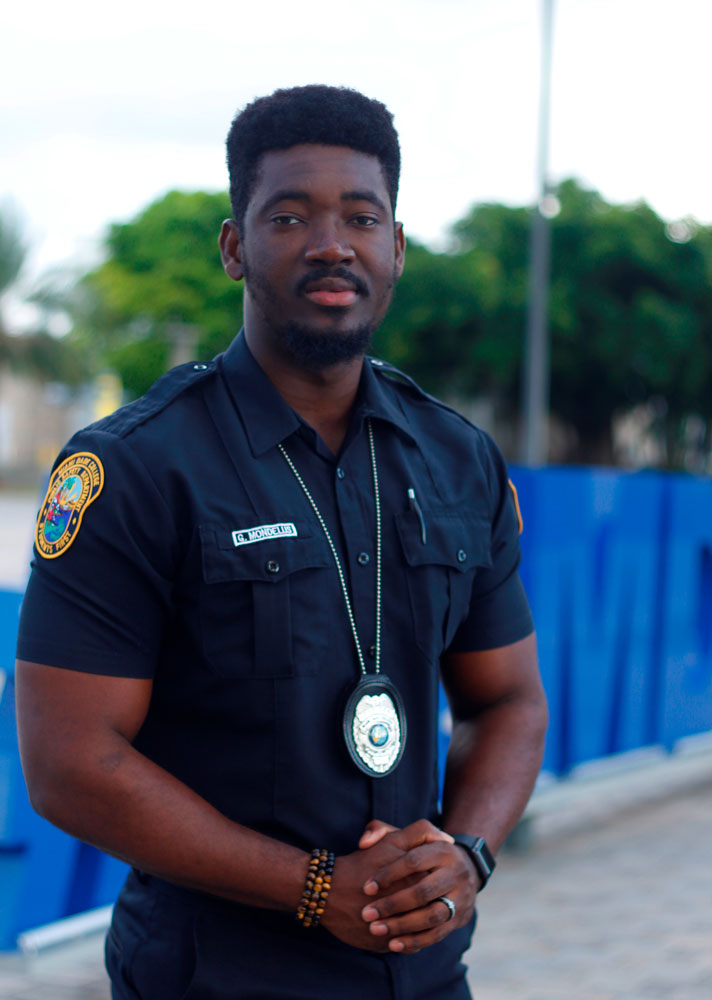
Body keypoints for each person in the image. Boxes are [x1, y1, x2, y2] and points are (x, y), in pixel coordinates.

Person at [15, 85, 547, 999]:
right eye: (290, 215)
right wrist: (313, 889)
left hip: (422, 977)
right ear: (235, 246)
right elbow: (71, 765)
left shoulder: (458, 458)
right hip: (216, 976)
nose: (332, 243)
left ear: (396, 249)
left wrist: (467, 855)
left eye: (361, 217)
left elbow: (510, 704)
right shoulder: (135, 467)